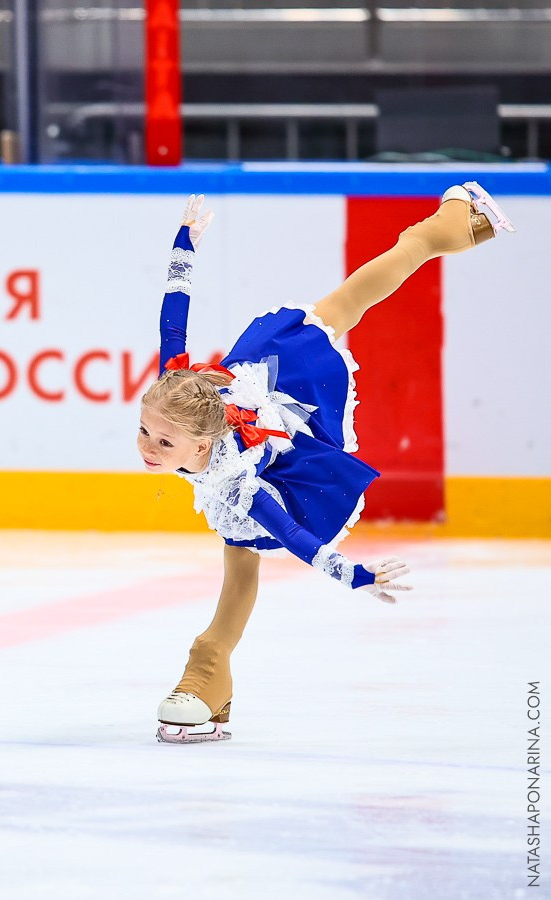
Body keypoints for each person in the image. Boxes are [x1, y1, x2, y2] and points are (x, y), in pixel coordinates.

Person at [139, 185, 515, 743]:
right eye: (145, 432)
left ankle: (441, 230)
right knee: (238, 552)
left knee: (343, 306)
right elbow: (174, 316)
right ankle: (210, 670)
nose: (148, 447)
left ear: (198, 448)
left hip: (288, 393)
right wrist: (184, 242)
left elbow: (293, 534)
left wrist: (352, 574)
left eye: (163, 445)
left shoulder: (236, 483)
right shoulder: (178, 389)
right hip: (238, 402)